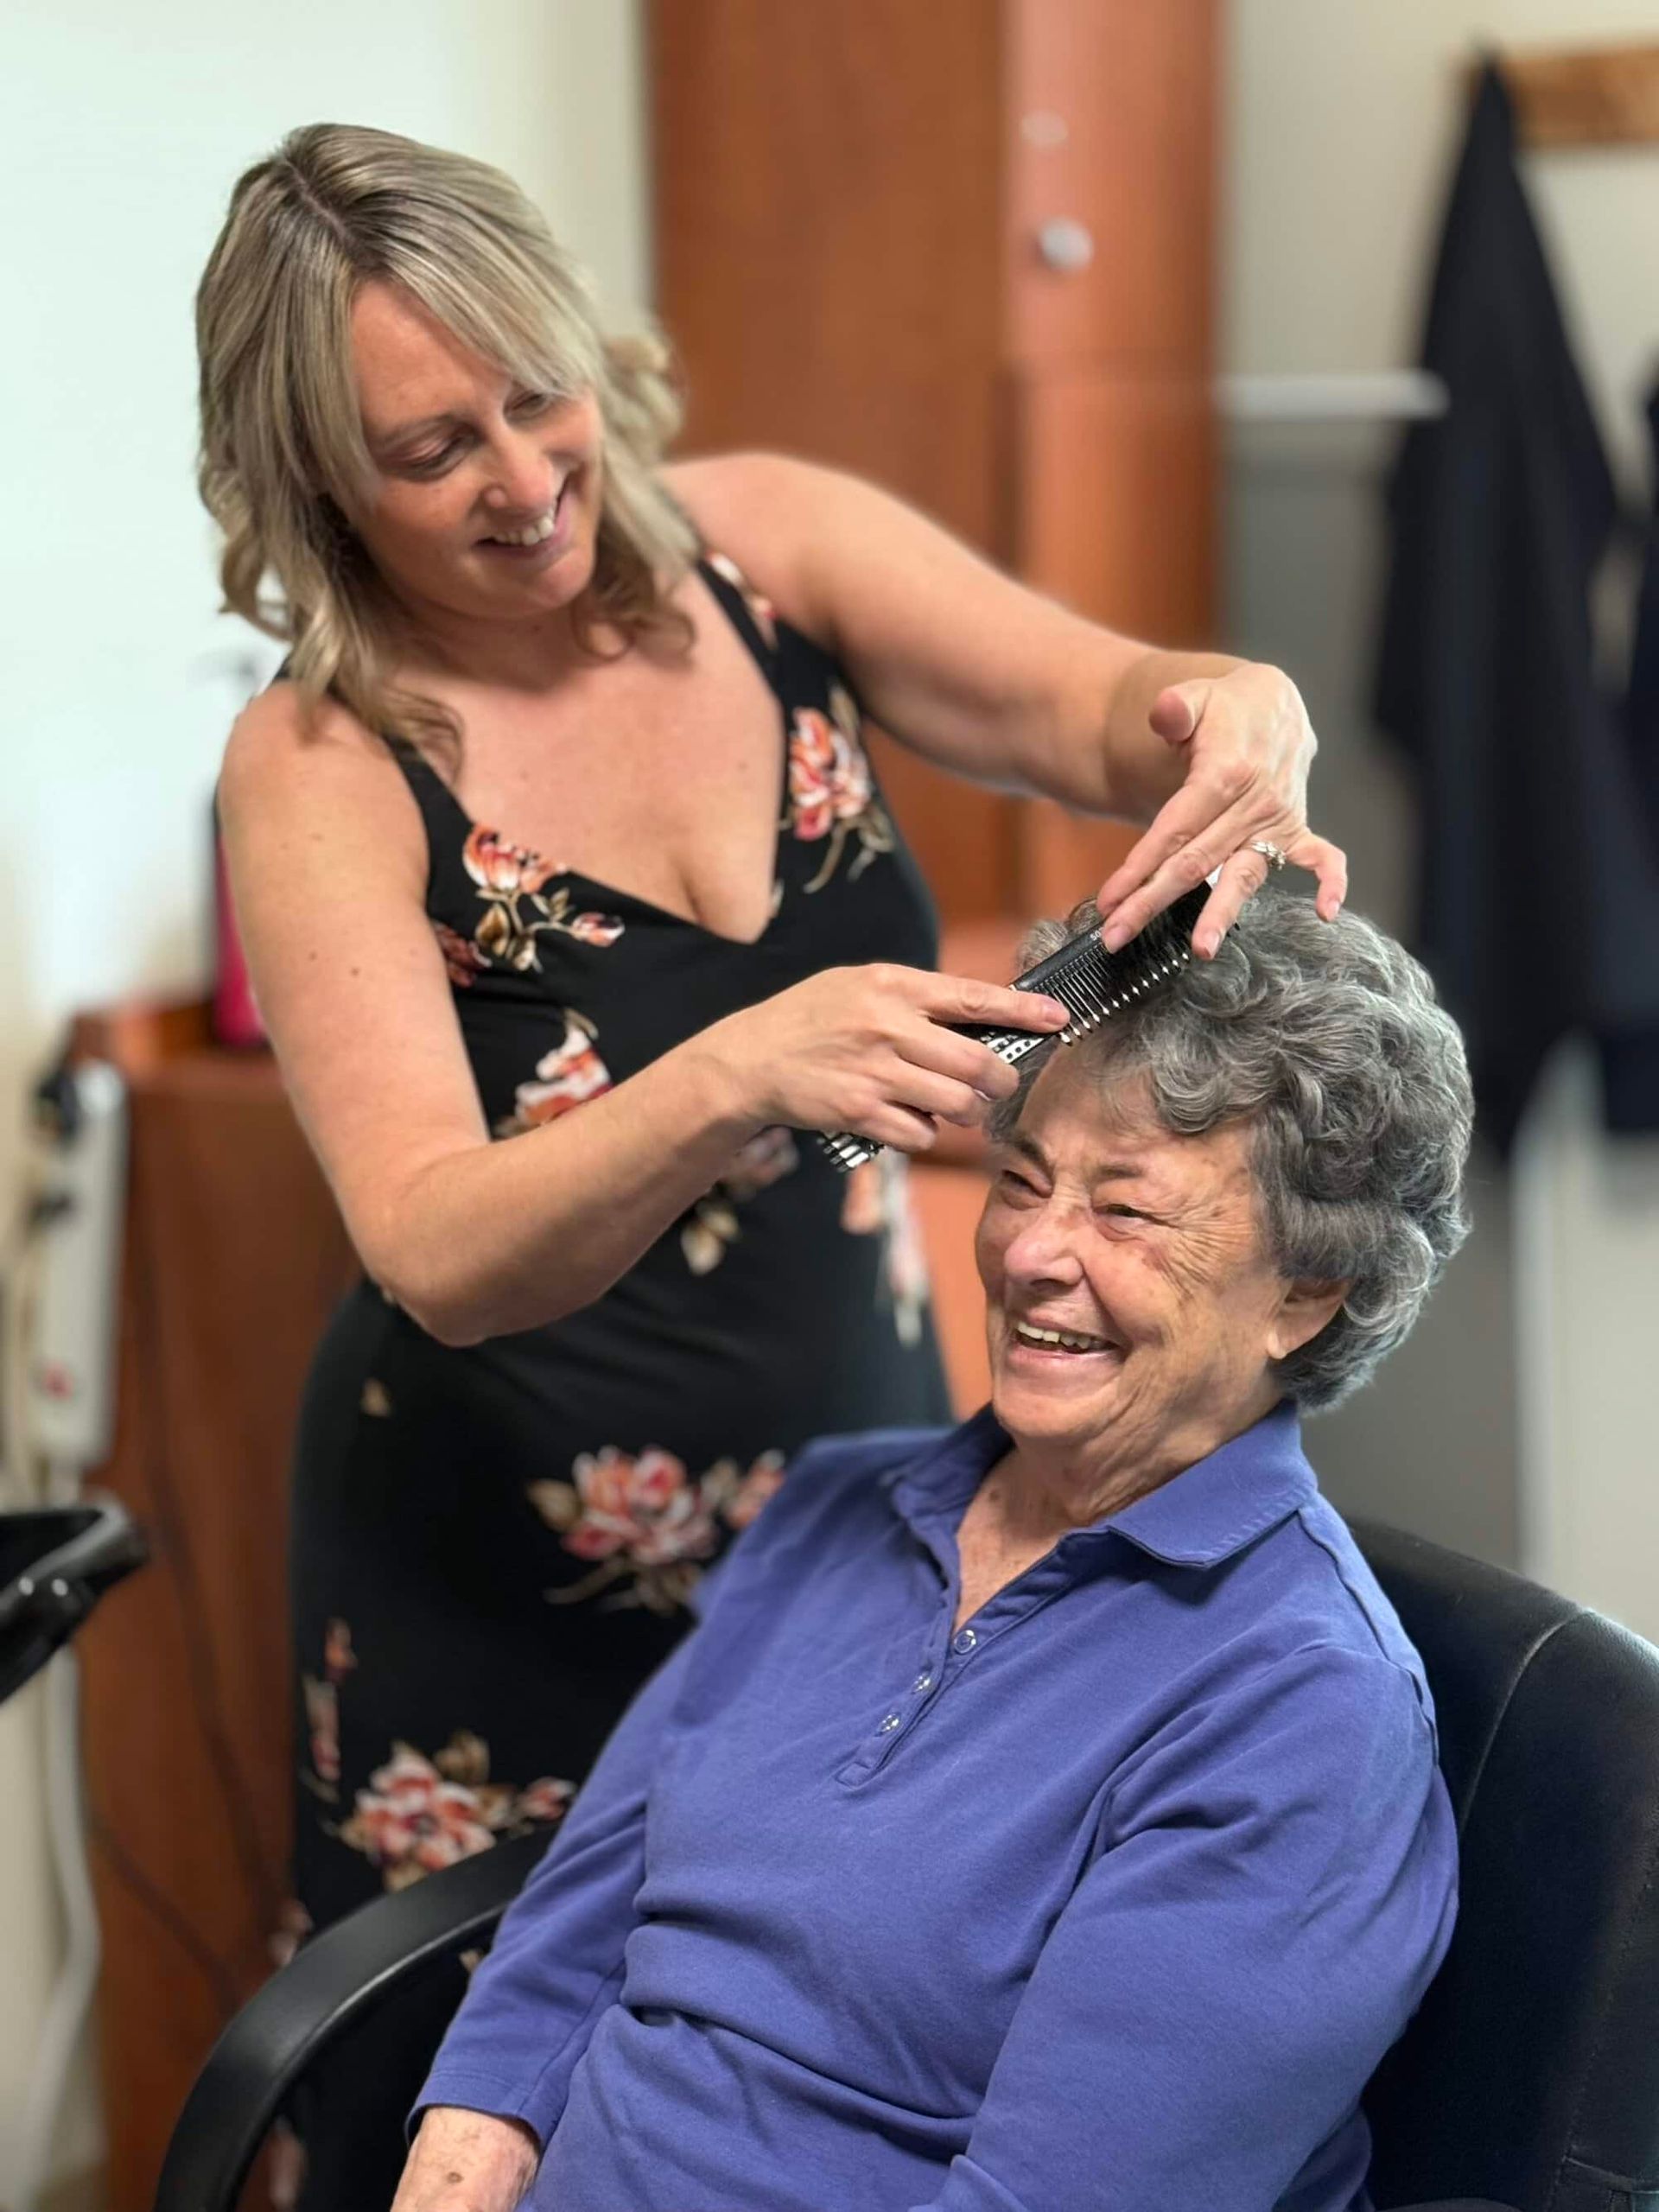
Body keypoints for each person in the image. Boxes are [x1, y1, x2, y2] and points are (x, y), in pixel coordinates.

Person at [199, 122, 1346, 2196]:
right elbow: (438, 1248)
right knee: (483, 2102)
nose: (528, 479)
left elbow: (1107, 712)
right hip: (498, 1574)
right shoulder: (320, 763)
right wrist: (740, 1065)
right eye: (432, 446)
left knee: (835, 2055)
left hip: (854, 1515)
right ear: (312, 480)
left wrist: (1233, 706)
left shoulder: (771, 551)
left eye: (539, 394)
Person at [398, 893, 1471, 2212]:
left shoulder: (1299, 1712)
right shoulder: (841, 1505)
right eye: (1021, 1180)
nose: (1030, 1255)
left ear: (1310, 1294)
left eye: (1126, 1213)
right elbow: (585, 1911)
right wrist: (466, 2154)